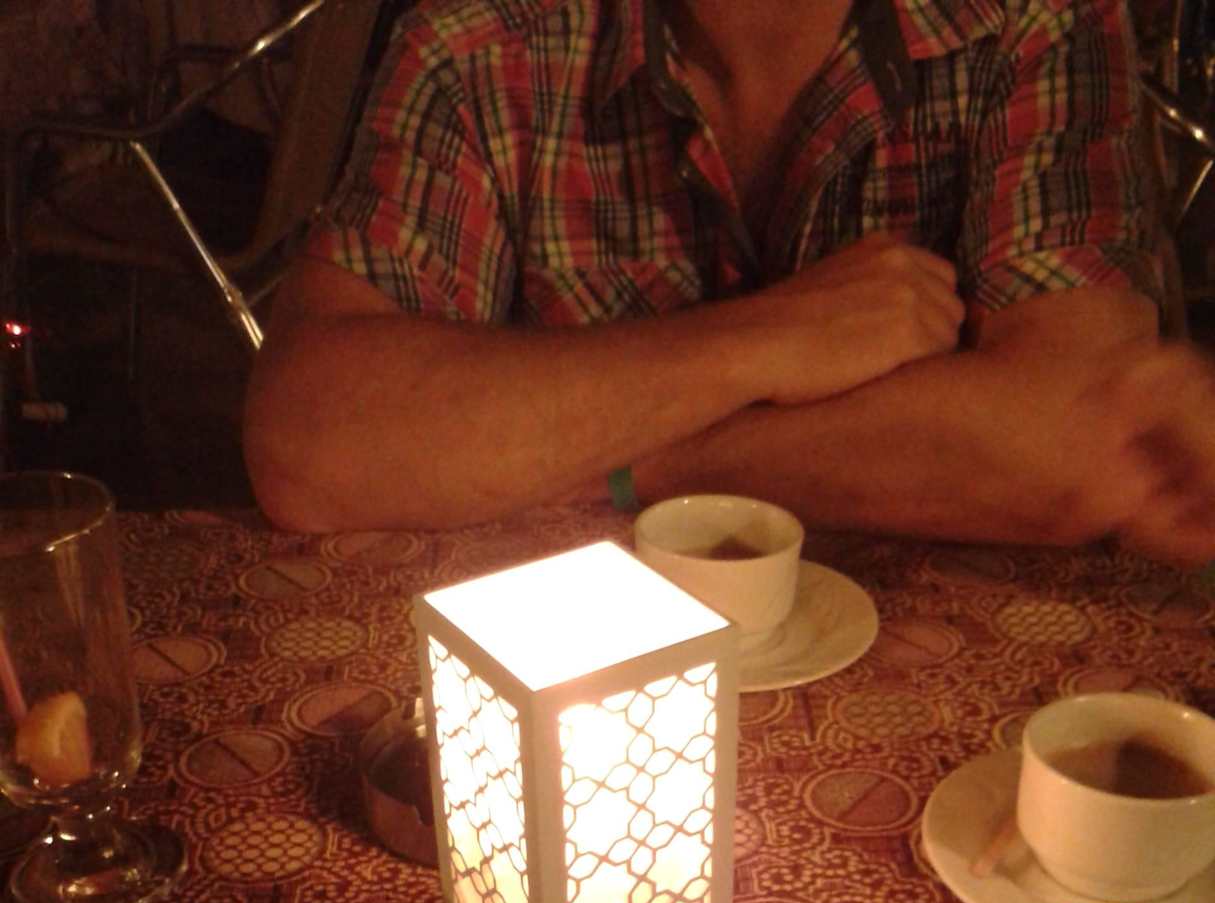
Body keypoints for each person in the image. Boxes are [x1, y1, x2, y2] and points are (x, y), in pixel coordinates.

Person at [243, 0, 1215, 566]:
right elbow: (314, 446)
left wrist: (629, 462)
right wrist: (763, 341)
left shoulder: (1030, 17)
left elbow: (1077, 439)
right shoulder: (485, 32)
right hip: (593, 690)